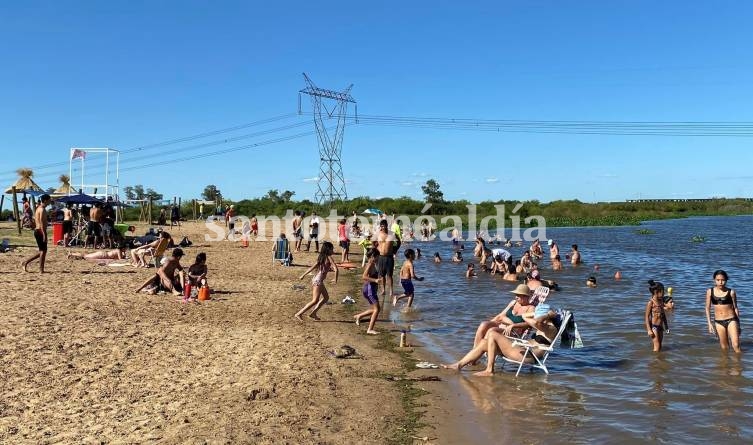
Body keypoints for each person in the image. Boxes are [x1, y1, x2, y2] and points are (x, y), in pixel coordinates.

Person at [470, 284, 535, 349]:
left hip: (513, 332)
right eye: (516, 295)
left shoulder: (530, 308)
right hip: (501, 325)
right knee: (484, 324)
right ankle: (474, 349)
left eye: (518, 295)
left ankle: (482, 350)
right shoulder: (514, 302)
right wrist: (490, 323)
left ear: (525, 296)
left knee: (492, 330)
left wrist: (513, 325)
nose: (516, 297)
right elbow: (501, 315)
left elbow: (529, 324)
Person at [296, 241, 338, 321]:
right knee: (315, 300)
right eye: (332, 249)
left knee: (326, 298)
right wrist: (335, 279)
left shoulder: (321, 257)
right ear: (328, 250)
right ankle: (299, 313)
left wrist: (303, 275)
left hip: (317, 279)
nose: (333, 250)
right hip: (318, 281)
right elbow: (336, 269)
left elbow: (312, 267)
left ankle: (313, 313)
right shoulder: (329, 257)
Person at [705, 270, 741, 353]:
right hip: (718, 322)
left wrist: (738, 324)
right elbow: (707, 308)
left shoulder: (731, 292)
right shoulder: (710, 292)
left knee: (736, 345)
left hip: (731, 320)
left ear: (726, 280)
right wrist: (709, 324)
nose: (720, 282)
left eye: (723, 280)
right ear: (714, 280)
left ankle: (738, 365)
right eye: (718, 280)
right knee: (724, 347)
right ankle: (725, 365)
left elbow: (735, 308)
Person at [22, 194, 52, 273]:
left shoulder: (39, 208)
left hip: (38, 231)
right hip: (40, 231)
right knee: (43, 251)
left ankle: (26, 262)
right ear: (45, 200)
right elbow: (41, 223)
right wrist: (44, 234)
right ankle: (41, 270)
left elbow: (36, 221)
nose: (50, 201)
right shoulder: (41, 209)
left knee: (42, 251)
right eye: (49, 200)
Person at [354, 249, 380, 334]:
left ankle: (359, 316)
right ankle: (370, 329)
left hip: (369, 289)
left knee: (375, 309)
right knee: (376, 309)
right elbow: (364, 276)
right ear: (373, 257)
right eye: (377, 257)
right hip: (370, 290)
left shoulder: (372, 263)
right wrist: (375, 280)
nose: (378, 258)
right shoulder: (370, 264)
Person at [645, 280, 669, 352]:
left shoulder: (661, 301)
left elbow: (663, 314)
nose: (664, 293)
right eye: (662, 291)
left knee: (660, 346)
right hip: (654, 327)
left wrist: (666, 326)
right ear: (656, 292)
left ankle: (659, 361)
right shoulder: (651, 303)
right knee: (657, 346)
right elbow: (646, 317)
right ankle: (655, 362)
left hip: (660, 327)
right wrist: (649, 330)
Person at [376, 220, 394, 297]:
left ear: (387, 225)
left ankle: (391, 291)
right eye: (382, 226)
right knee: (382, 275)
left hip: (389, 257)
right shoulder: (378, 234)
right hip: (381, 257)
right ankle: (383, 290)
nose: (383, 227)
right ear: (380, 226)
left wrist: (395, 250)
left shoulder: (392, 234)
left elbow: (399, 241)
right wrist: (377, 248)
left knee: (389, 275)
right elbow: (373, 242)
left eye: (384, 225)